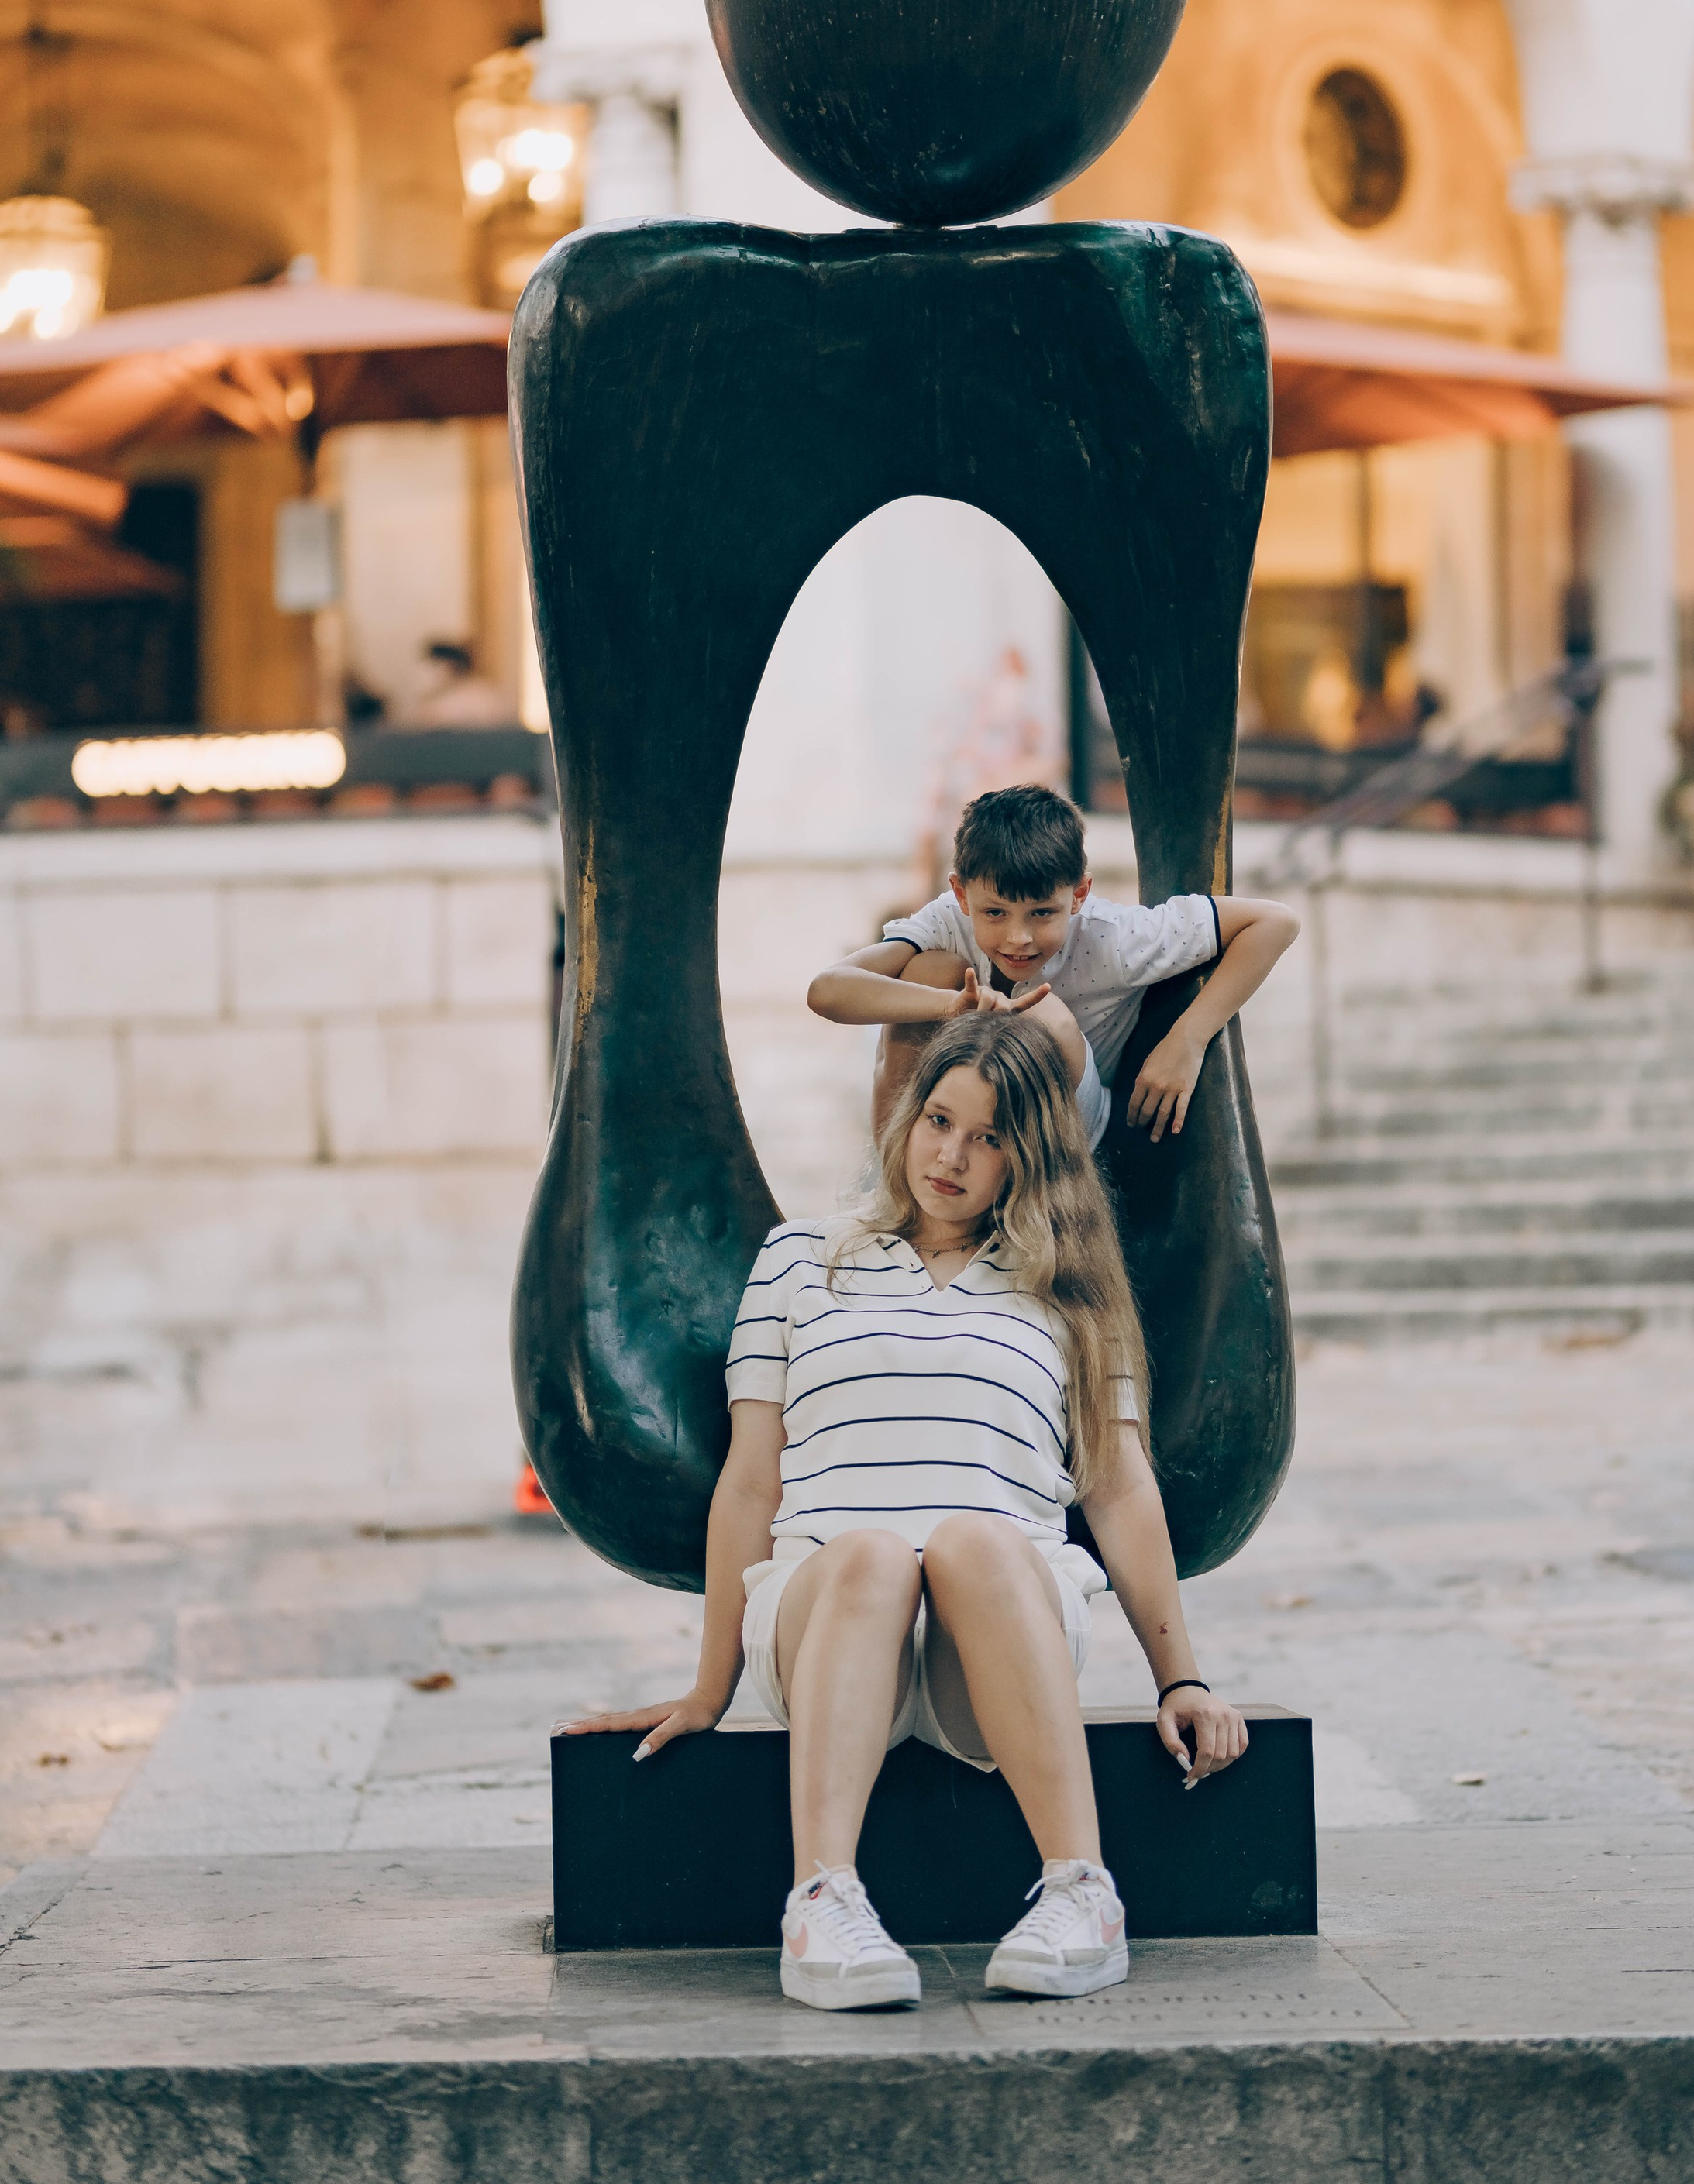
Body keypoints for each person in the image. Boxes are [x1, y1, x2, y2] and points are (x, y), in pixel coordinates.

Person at [554, 1013, 1248, 2012]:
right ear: (907, 1121)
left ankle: (1082, 1895)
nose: (950, 1156)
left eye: (990, 1136)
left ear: (1032, 1156)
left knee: (971, 1540)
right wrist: (709, 1689)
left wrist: (1180, 1676)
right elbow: (753, 1481)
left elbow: (1120, 1484)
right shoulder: (798, 1259)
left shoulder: (1073, 1290)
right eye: (938, 1120)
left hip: (1002, 1626)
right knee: (873, 1555)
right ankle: (823, 1903)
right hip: (828, 1615)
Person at [808, 783, 1300, 1147]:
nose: (1018, 938)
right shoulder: (947, 918)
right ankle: (897, 1180)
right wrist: (952, 1005)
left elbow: (1275, 922)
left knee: (1038, 1013)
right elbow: (827, 990)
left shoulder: (1116, 938)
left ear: (1079, 894)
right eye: (995, 913)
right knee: (927, 972)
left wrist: (1189, 1037)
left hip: (1067, 1126)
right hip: (963, 1116)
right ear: (962, 894)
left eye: (1042, 913)